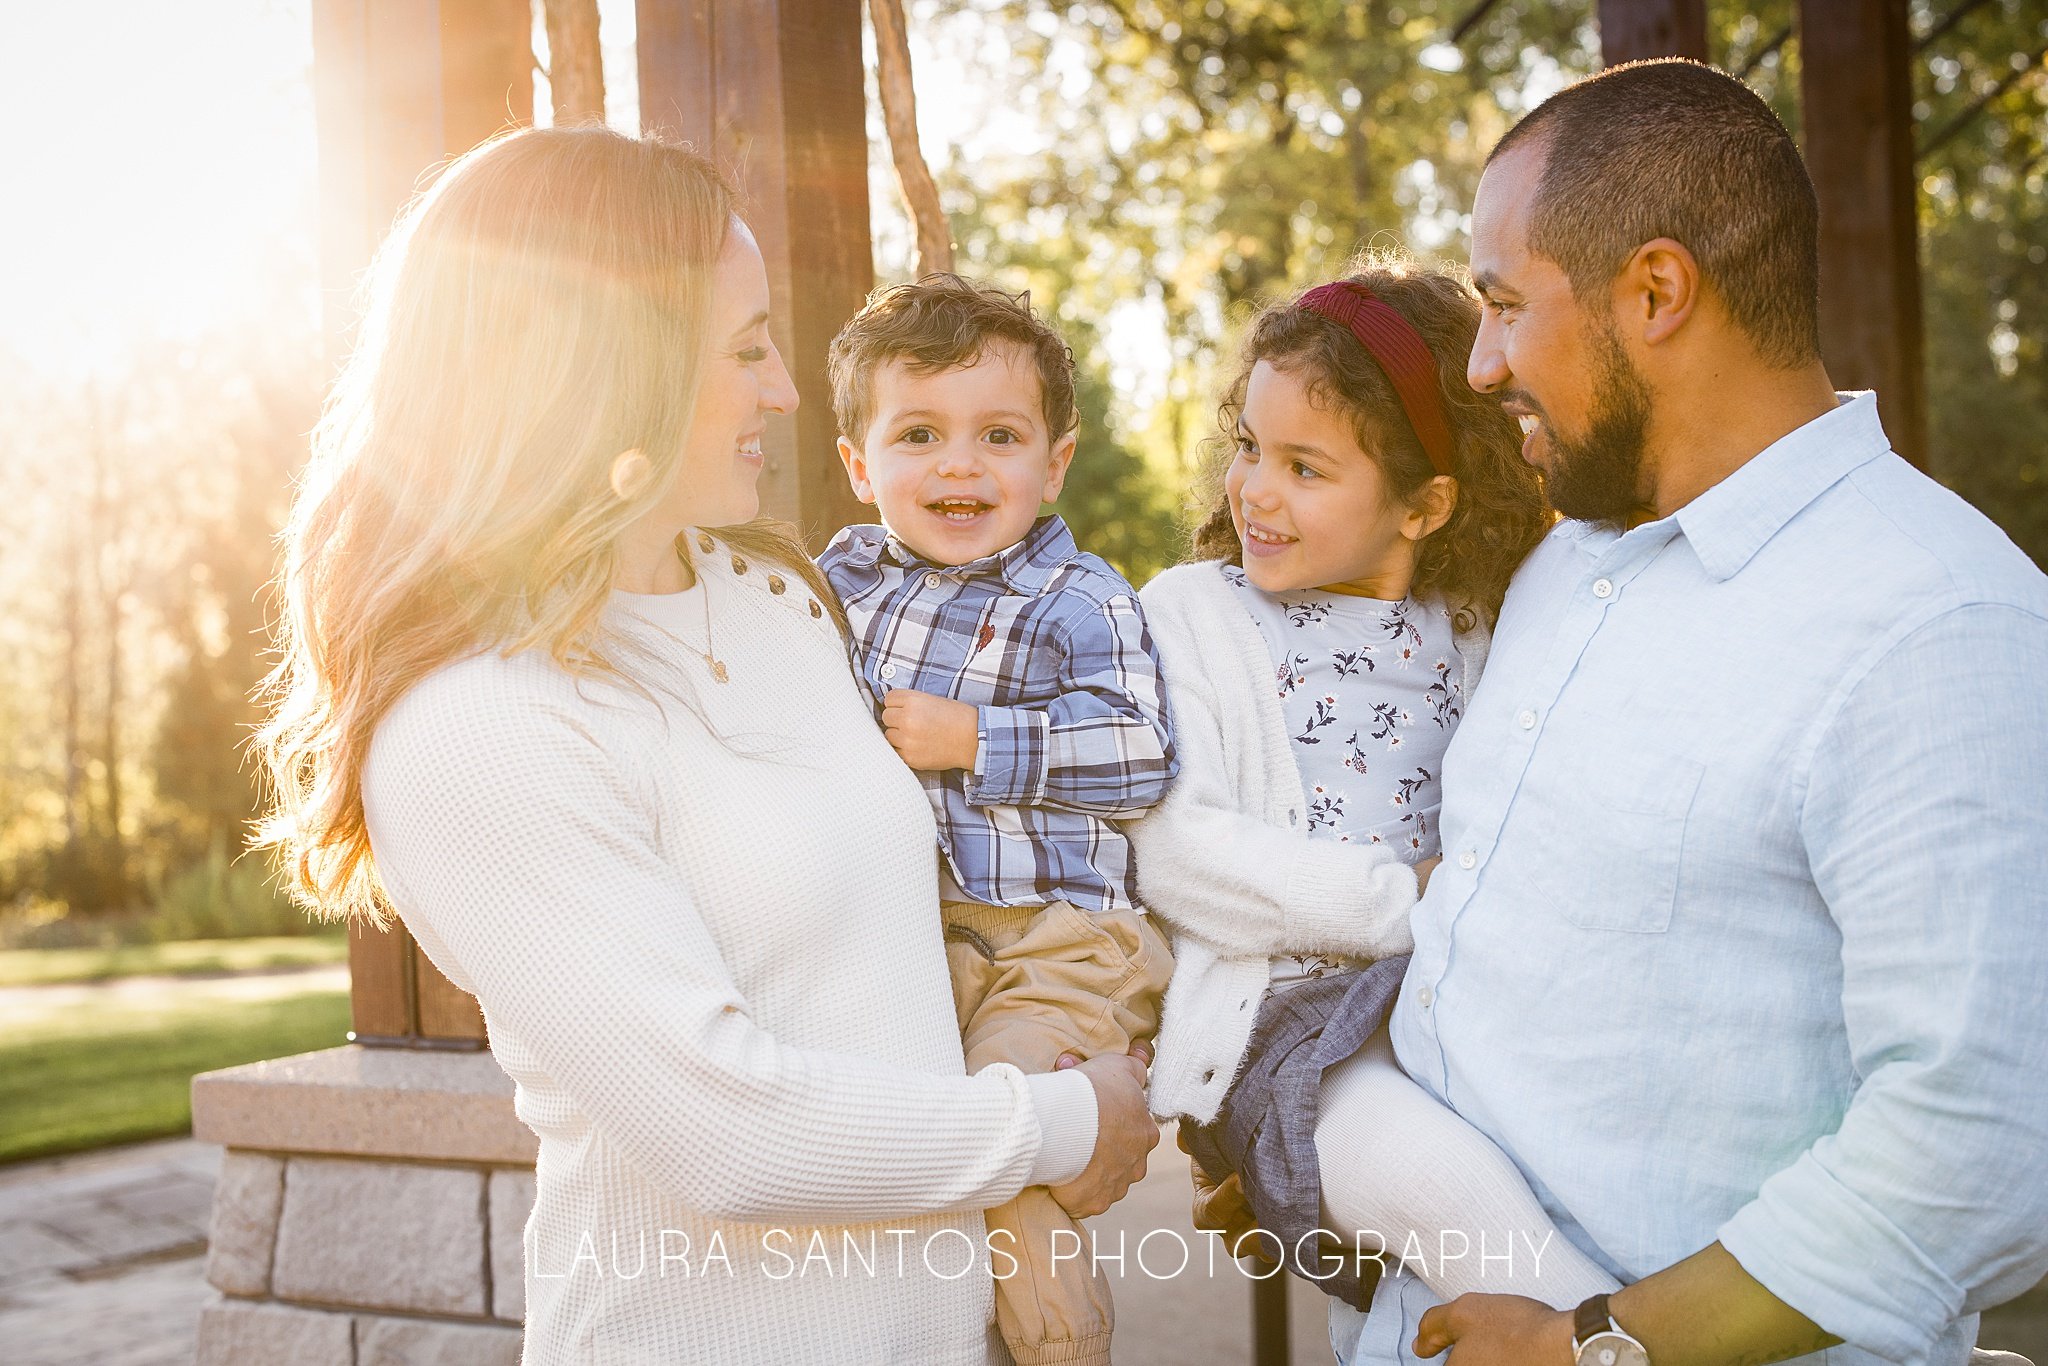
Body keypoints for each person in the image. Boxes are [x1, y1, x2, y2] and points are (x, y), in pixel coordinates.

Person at [253, 126, 1158, 1366]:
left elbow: (896, 974)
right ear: (605, 366)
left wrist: (1016, 1208)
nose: (783, 390)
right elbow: (731, 1128)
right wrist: (1058, 1127)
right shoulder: (478, 723)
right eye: (745, 348)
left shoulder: (787, 600)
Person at [1314, 60, 2048, 1366]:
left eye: (1504, 306)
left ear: (1654, 292)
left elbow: (1982, 1137)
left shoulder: (1937, 624)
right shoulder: (1566, 565)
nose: (1483, 366)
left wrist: (1593, 1343)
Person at [1129, 260, 1617, 1314]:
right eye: (1249, 447)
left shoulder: (1481, 626)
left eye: (1305, 467)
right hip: (1286, 1021)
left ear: (1424, 504)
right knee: (1455, 1199)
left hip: (1458, 990)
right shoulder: (1191, 614)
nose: (1253, 487)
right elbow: (1173, 848)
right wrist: (1408, 900)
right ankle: (1619, 1341)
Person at [817, 274, 1178, 1366]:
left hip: (1052, 937)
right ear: (857, 463)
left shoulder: (1079, 599)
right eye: (918, 433)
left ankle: (1062, 1350)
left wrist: (977, 737)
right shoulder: (839, 584)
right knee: (924, 1167)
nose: (959, 465)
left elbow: (1139, 755)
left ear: (1053, 460)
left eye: (1000, 435)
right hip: (913, 939)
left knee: (1008, 1142)